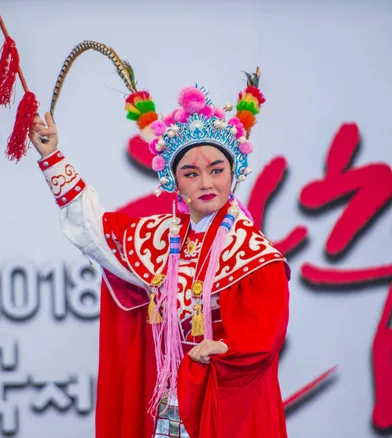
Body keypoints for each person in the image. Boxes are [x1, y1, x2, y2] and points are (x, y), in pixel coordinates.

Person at [29, 74, 290, 438]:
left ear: (234, 172)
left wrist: (226, 347)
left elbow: (266, 334)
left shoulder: (253, 252)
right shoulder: (159, 237)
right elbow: (93, 229)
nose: (206, 183)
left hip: (225, 400)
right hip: (169, 402)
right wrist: (52, 157)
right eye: (191, 173)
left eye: (217, 171)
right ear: (174, 182)